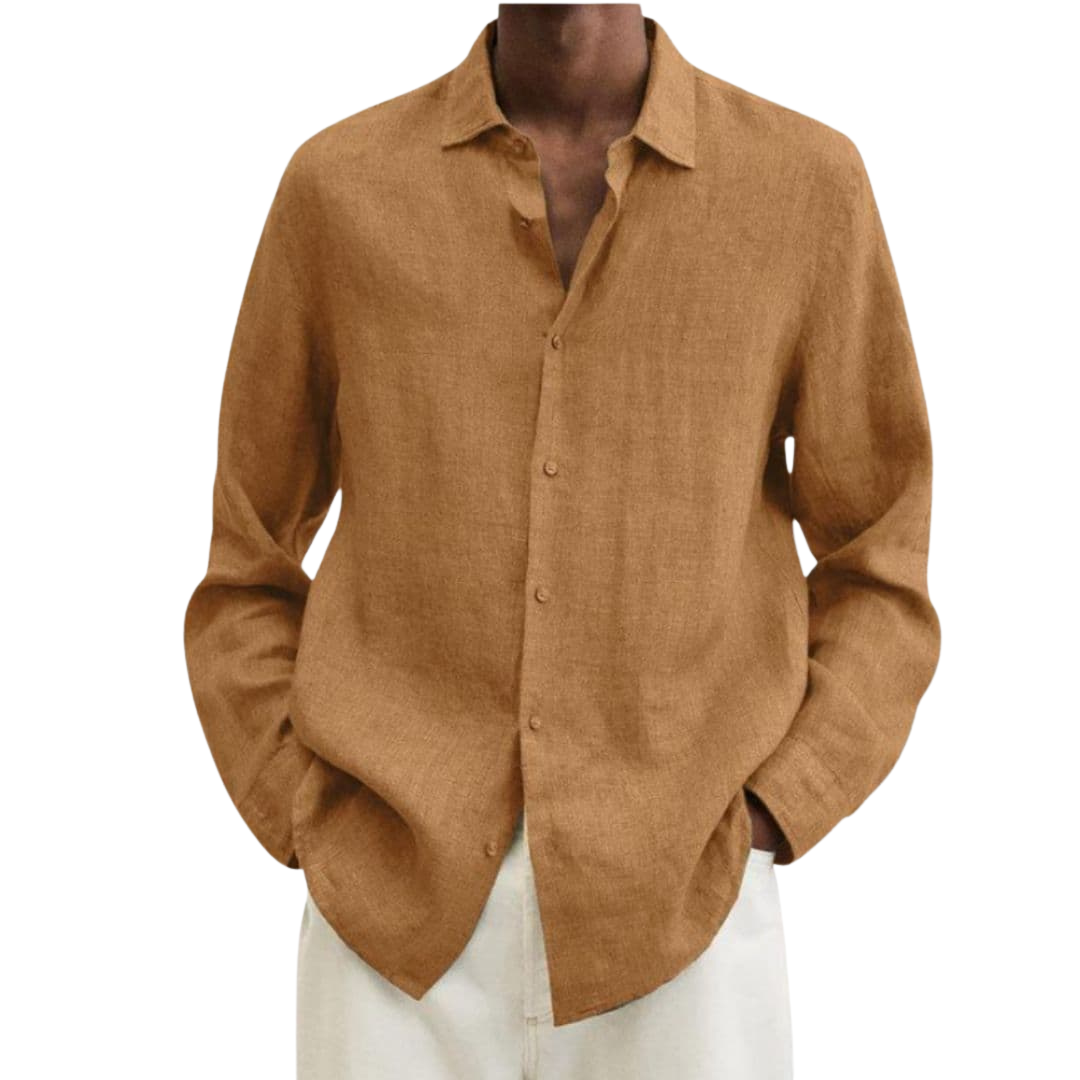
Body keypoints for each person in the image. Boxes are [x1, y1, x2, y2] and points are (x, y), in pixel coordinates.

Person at [183, 6, 941, 1078]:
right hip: (390, 926)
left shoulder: (804, 187)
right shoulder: (339, 189)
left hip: (687, 919)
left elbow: (880, 556)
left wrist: (777, 807)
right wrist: (305, 813)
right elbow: (248, 559)